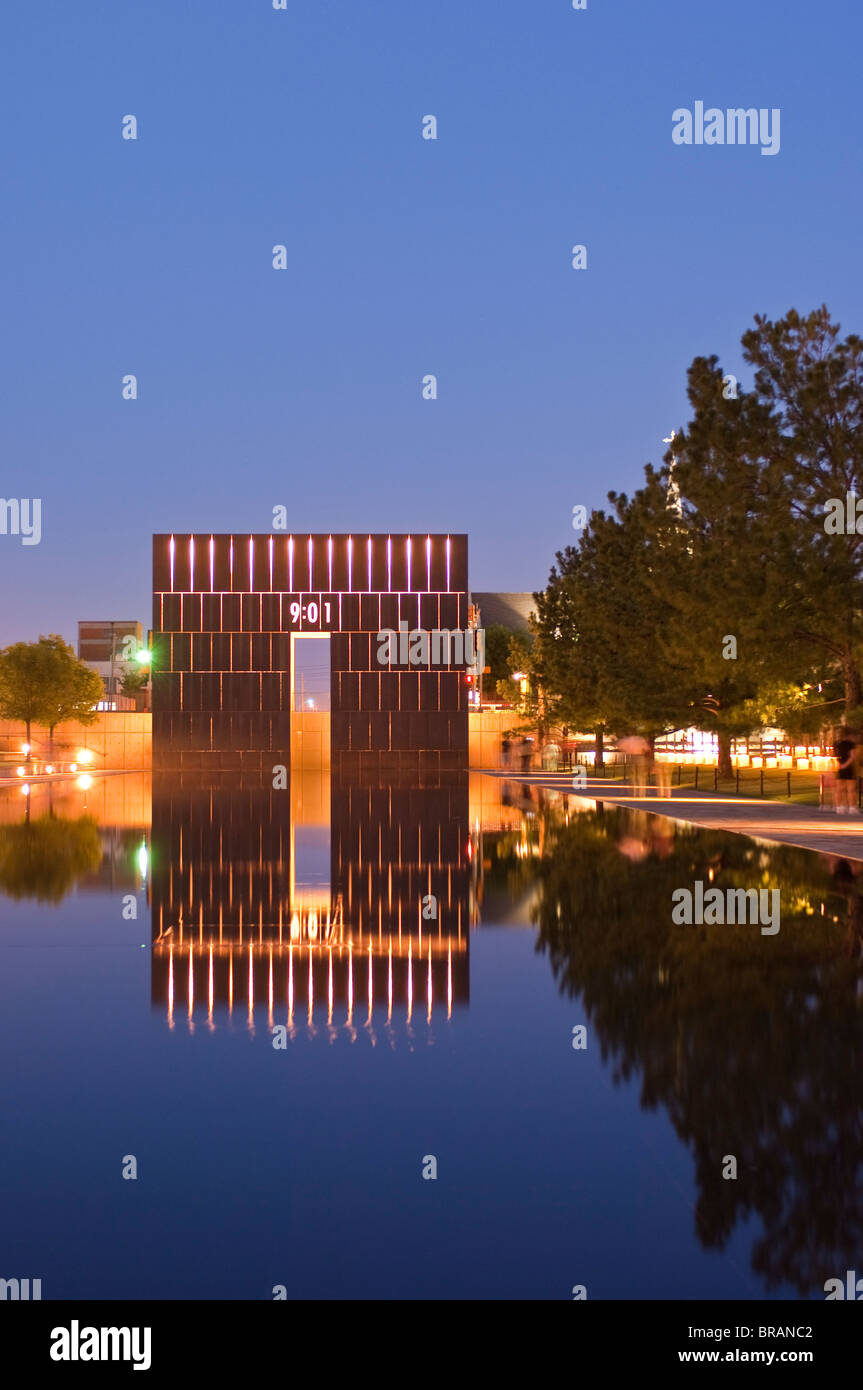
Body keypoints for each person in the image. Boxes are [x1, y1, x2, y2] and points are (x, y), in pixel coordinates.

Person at [833, 726, 858, 814]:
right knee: (851, 789)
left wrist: (840, 765)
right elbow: (853, 756)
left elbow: (835, 756)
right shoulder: (851, 744)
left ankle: (840, 807)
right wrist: (845, 765)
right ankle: (852, 808)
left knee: (839, 789)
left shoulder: (836, 743)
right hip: (849, 767)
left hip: (839, 767)